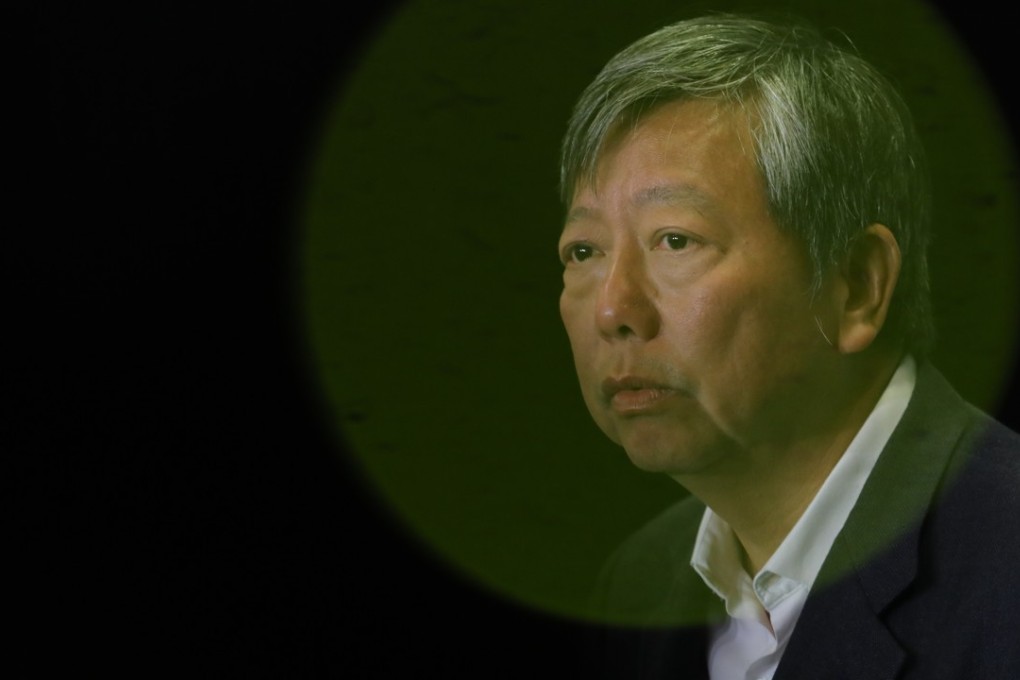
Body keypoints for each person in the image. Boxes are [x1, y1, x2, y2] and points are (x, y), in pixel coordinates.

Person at [556, 13, 1020, 680]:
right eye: (584, 251)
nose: (611, 309)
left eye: (676, 240)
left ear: (856, 285)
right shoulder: (640, 582)